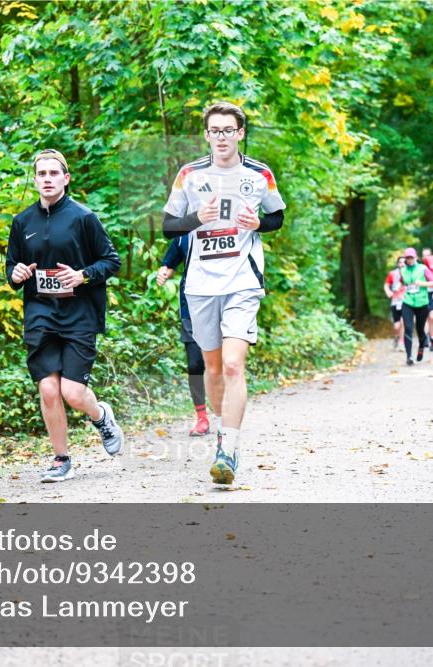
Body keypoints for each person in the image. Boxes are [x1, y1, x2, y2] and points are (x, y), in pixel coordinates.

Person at [162, 101, 286, 485]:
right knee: (212, 368)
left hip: (242, 282)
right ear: (206, 135)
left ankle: (227, 449)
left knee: (233, 365)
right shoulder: (189, 175)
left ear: (240, 133)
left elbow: (277, 217)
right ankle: (222, 430)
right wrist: (197, 219)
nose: (221, 137)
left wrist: (258, 223)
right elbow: (168, 227)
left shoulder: (259, 173)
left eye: (228, 130)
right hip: (200, 285)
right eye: (214, 131)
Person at [5, 149, 124, 483]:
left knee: (72, 393)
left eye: (53, 173)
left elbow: (111, 261)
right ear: (35, 179)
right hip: (40, 313)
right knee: (48, 389)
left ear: (65, 178)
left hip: (79, 314)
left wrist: (82, 275)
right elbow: (11, 266)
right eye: (41, 173)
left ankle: (101, 416)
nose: (46, 179)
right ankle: (61, 459)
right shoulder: (22, 222)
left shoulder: (83, 217)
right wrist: (15, 275)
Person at [157, 235, 210, 437]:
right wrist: (164, 272)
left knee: (222, 363)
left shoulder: (225, 224)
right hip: (192, 305)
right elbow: (170, 263)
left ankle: (226, 416)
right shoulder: (184, 233)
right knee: (195, 363)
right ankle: (202, 417)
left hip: (224, 302)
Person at [400, 247, 433, 366]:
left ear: (416, 257)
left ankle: (421, 346)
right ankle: (409, 356)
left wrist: (422, 283)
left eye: (411, 257)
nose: (409, 260)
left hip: (422, 303)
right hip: (408, 302)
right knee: (408, 328)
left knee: (420, 329)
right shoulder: (403, 270)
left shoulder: (423, 268)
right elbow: (402, 282)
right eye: (407, 258)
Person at [383, 256, 406, 351]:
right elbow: (386, 284)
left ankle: (402, 343)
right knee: (396, 326)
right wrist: (388, 292)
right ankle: (396, 338)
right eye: (400, 262)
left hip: (406, 301)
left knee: (403, 322)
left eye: (404, 262)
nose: (402, 264)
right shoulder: (392, 273)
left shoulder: (410, 273)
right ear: (398, 264)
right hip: (395, 301)